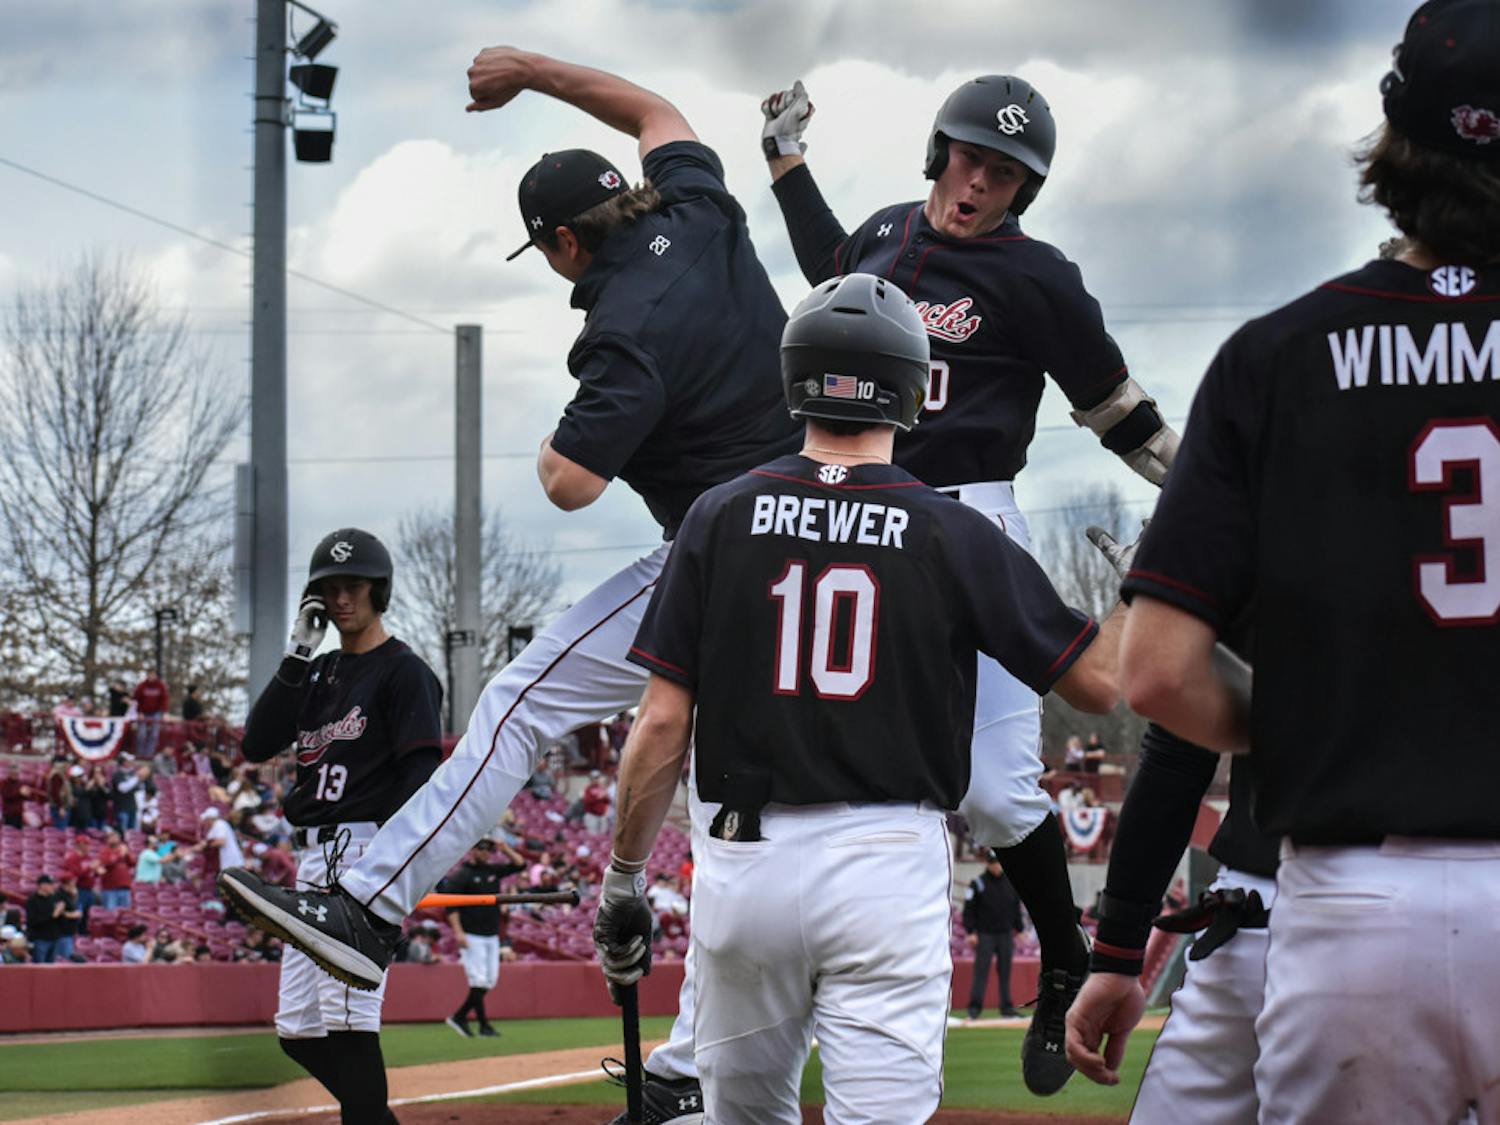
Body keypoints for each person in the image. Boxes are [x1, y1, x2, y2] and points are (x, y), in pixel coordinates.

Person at [217, 46, 802, 1121]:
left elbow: (570, 480)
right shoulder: (705, 208)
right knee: (729, 821)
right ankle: (699, 1068)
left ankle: (368, 903)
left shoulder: (620, 331)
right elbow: (656, 103)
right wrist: (530, 72)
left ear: (567, 239)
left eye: (547, 250)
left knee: (519, 705)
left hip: (727, 553)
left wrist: (561, 428)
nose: (552, 264)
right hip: (817, 546)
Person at [1070, 4, 1500, 1122]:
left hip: (1353, 904)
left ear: (1393, 142)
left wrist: (1321, 718)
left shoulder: (1276, 358)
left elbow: (1157, 676)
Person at [591, 273, 1122, 1123]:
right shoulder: (954, 531)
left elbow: (660, 724)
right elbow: (1097, 686)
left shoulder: (719, 514)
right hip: (884, 854)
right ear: (913, 390)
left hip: (743, 859)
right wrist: (1136, 599)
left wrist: (623, 876)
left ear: (794, 378)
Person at [743, 73, 1181, 1096]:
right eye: (971, 155)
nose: (979, 180)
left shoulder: (1040, 279)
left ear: (1026, 189)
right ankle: (756, 1012)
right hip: (850, 512)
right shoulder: (888, 232)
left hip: (970, 516)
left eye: (1005, 171)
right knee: (807, 760)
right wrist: (784, 163)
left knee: (993, 788)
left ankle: (1064, 955)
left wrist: (1211, 490)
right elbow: (828, 265)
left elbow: (1117, 412)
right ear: (938, 150)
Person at [227, 528, 443, 1125]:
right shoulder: (317, 674)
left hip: (365, 850)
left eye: (353, 586)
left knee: (349, 1024)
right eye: (328, 589)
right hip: (312, 859)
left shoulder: (405, 672)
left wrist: (386, 870)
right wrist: (297, 653)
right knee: (298, 1030)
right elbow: (256, 742)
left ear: (380, 590)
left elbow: (420, 776)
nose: (341, 598)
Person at [440, 836, 527, 1038]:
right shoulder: (462, 875)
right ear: (472, 851)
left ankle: (463, 1018)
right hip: (472, 935)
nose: (486, 853)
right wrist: (458, 932)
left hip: (491, 934)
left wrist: (505, 849)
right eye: (481, 849)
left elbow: (520, 865)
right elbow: (450, 906)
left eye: (489, 850)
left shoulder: (491, 870)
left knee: (489, 981)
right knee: (478, 980)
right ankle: (481, 1024)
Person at [962, 853, 1024, 1020]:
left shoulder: (1010, 883)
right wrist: (971, 931)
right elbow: (968, 910)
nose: (996, 866)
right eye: (993, 863)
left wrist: (1020, 929)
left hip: (1005, 934)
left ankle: (1006, 1007)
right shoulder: (978, 884)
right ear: (987, 864)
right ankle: (974, 1008)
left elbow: (1015, 908)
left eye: (998, 863)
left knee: (1005, 971)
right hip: (985, 934)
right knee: (981, 971)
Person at [24, 874, 65, 964]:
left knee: (51, 969)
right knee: (39, 967)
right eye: (50, 884)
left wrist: (61, 913)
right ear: (42, 885)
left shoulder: (53, 898)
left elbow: (59, 918)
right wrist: (53, 915)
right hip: (40, 938)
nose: (52, 887)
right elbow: (33, 921)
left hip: (54, 937)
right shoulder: (33, 900)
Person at [132, 669, 168, 759]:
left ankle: (149, 755)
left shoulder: (160, 686)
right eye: (150, 674)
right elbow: (136, 700)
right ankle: (140, 754)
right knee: (142, 734)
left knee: (154, 734)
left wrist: (164, 713)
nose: (151, 677)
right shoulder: (142, 686)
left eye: (153, 674)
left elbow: (164, 700)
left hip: (156, 713)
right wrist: (139, 712)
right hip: (143, 712)